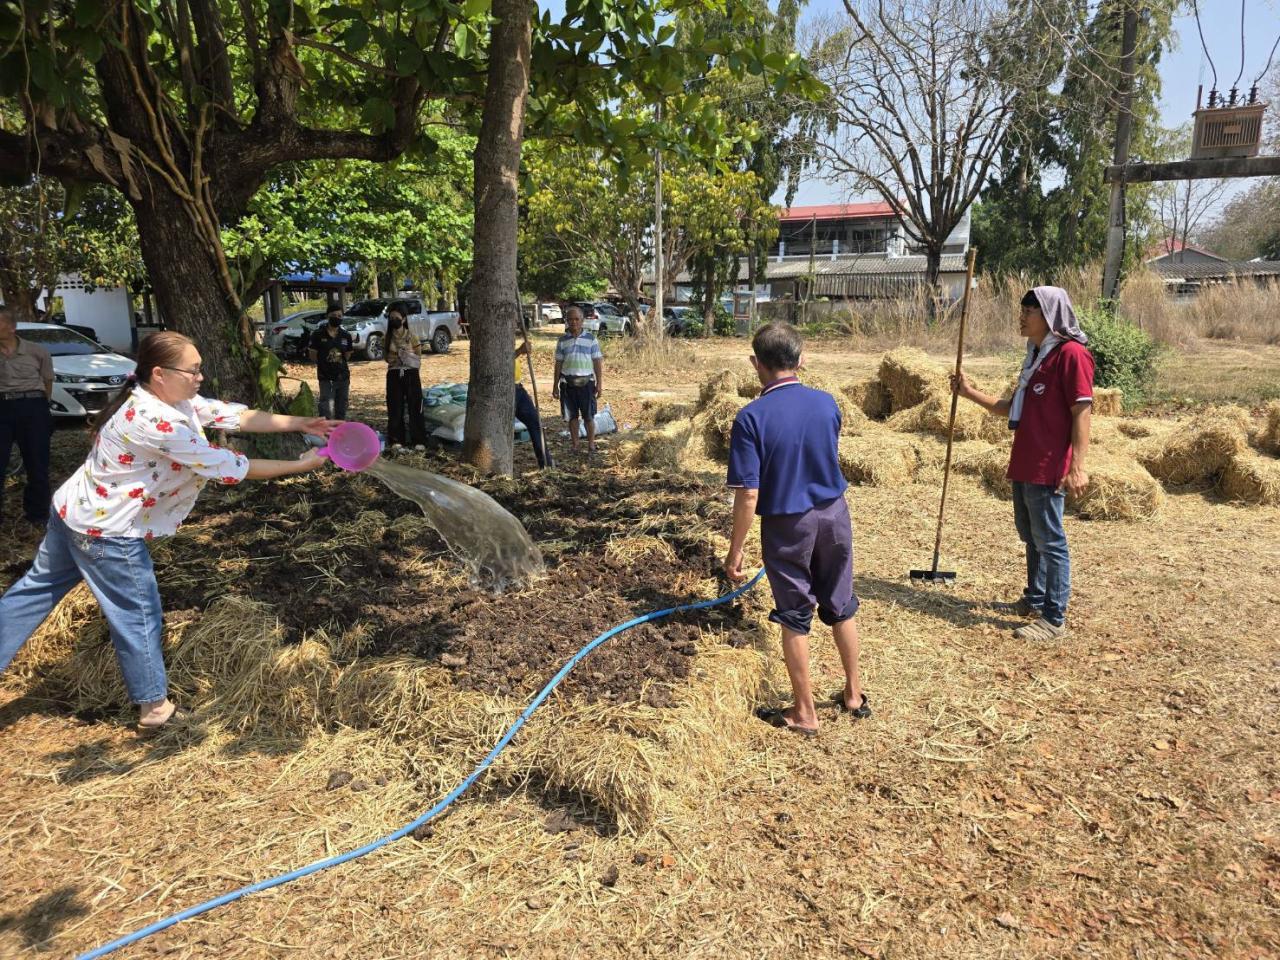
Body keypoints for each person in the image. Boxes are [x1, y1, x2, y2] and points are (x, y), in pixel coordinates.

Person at [0, 331, 339, 732]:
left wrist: (302, 422)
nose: (200, 377)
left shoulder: (166, 398)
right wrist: (299, 467)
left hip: (75, 511)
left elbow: (234, 415)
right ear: (159, 373)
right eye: (192, 370)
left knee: (33, 591)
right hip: (108, 531)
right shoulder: (157, 422)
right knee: (138, 614)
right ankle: (155, 708)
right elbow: (231, 466)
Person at [722, 322, 868, 737]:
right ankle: (854, 693)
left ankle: (805, 712)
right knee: (841, 603)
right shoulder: (826, 403)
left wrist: (736, 551)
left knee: (794, 615)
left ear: (755, 364)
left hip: (789, 524)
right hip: (835, 514)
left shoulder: (750, 418)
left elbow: (749, 494)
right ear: (801, 359)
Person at [951, 286, 1094, 642]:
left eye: (1029, 310)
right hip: (1026, 459)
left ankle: (1053, 617)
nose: (1022, 316)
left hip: (1049, 464)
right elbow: (1008, 407)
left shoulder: (1071, 355)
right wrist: (968, 393)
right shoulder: (1036, 356)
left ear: (1049, 315)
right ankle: (1035, 598)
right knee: (1031, 536)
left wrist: (1077, 466)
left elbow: (1082, 412)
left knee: (1051, 540)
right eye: (1022, 309)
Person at [0, 305, 54, 526]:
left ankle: (38, 514)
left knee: (37, 463)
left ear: (11, 327)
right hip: (1, 408)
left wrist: (41, 408)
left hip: (33, 408)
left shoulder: (36, 351)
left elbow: (48, 381)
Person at [551, 306, 604, 457]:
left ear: (582, 321)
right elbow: (558, 364)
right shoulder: (562, 341)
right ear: (566, 321)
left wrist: (599, 384)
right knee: (572, 416)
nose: (573, 322)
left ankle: (591, 444)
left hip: (586, 384)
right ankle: (575, 445)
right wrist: (555, 385)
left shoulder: (591, 339)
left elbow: (597, 361)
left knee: (588, 416)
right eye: (570, 319)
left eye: (576, 319)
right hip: (568, 384)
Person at [384, 307, 427, 451]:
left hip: (411, 373)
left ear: (403, 319)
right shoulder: (387, 337)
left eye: (396, 317)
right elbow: (386, 357)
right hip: (394, 374)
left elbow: (418, 355)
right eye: (391, 318)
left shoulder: (412, 336)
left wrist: (408, 358)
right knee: (395, 407)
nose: (393, 321)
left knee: (415, 406)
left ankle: (419, 440)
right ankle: (396, 440)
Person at [308, 309, 353, 420]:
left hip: (343, 377)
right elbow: (313, 355)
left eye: (339, 315)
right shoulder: (318, 334)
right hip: (326, 377)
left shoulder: (345, 335)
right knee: (325, 408)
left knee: (341, 408)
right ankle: (324, 434)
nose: (337, 317)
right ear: (328, 316)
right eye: (334, 315)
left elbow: (347, 355)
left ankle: (339, 434)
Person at [514, 340, 552, 469]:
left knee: (535, 423)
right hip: (505, 391)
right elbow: (499, 362)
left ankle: (546, 465)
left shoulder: (508, 335)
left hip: (518, 388)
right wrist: (519, 351)